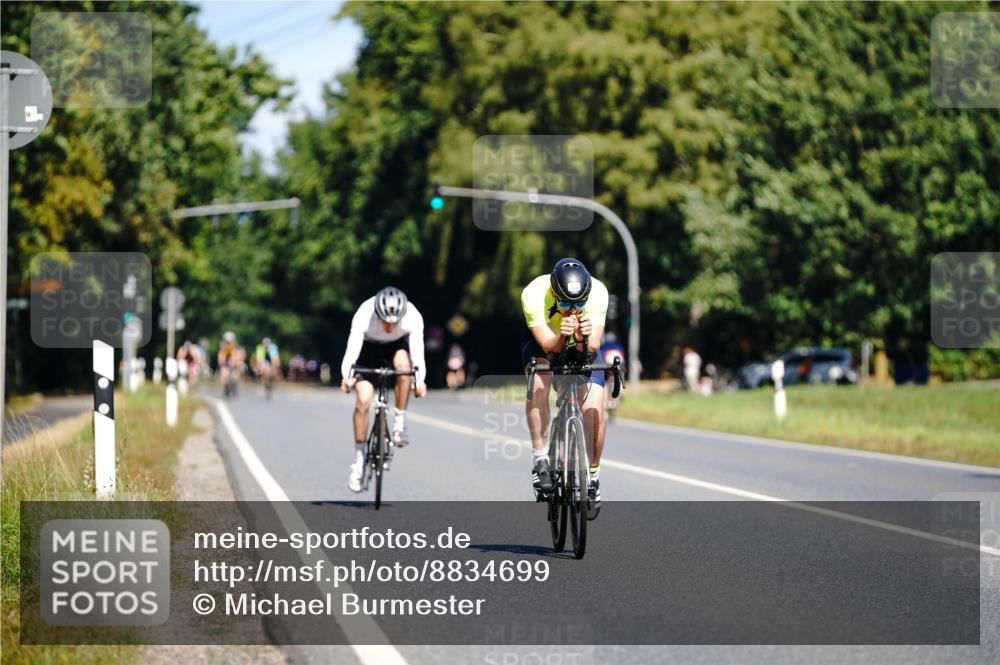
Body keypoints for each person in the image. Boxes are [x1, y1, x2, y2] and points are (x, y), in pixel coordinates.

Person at [521, 258, 609, 519]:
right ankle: (540, 459)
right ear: (554, 293)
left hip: (581, 349)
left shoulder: (599, 292)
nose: (573, 309)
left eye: (579, 303)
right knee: (540, 377)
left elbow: (592, 347)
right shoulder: (534, 293)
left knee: (593, 409)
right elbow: (548, 345)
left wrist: (583, 337)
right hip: (545, 344)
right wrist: (563, 334)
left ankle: (592, 478)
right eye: (566, 303)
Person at [340, 287, 427, 493]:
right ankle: (359, 461)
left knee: (405, 367)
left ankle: (400, 421)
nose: (389, 325)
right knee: (363, 400)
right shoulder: (364, 313)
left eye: (394, 322)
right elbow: (352, 348)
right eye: (385, 321)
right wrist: (347, 377)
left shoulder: (412, 316)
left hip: (397, 347)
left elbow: (418, 352)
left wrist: (420, 381)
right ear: (377, 314)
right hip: (367, 349)